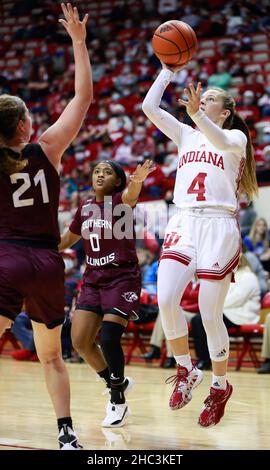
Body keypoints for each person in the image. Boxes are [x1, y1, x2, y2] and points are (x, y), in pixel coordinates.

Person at [142, 63, 258, 427]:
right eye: (200, 97)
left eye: (209, 99)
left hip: (219, 226)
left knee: (209, 315)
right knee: (165, 300)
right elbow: (149, 107)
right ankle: (186, 369)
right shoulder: (186, 134)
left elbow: (221, 141)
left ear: (224, 112)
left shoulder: (235, 139)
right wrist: (166, 70)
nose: (201, 100)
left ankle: (220, 385)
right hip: (185, 221)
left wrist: (197, 115)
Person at [0, 3, 93, 450]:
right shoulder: (48, 148)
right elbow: (83, 99)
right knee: (52, 357)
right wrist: (77, 41)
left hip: (9, 257)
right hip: (48, 262)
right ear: (23, 125)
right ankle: (67, 434)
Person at [59, 159, 154, 427]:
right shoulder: (85, 208)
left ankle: (117, 401)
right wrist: (40, 248)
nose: (100, 174)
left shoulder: (119, 203)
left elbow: (131, 195)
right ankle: (118, 382)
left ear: (117, 181)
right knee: (80, 341)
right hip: (92, 279)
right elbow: (67, 240)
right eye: (97, 170)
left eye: (107, 172)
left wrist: (137, 181)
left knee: (110, 338)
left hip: (121, 277)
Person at [191, 253, 261, 369]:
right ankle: (203, 358)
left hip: (241, 314)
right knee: (197, 320)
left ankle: (206, 359)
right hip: (227, 311)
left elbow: (237, 299)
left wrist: (215, 306)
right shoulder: (228, 276)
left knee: (202, 320)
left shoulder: (249, 276)